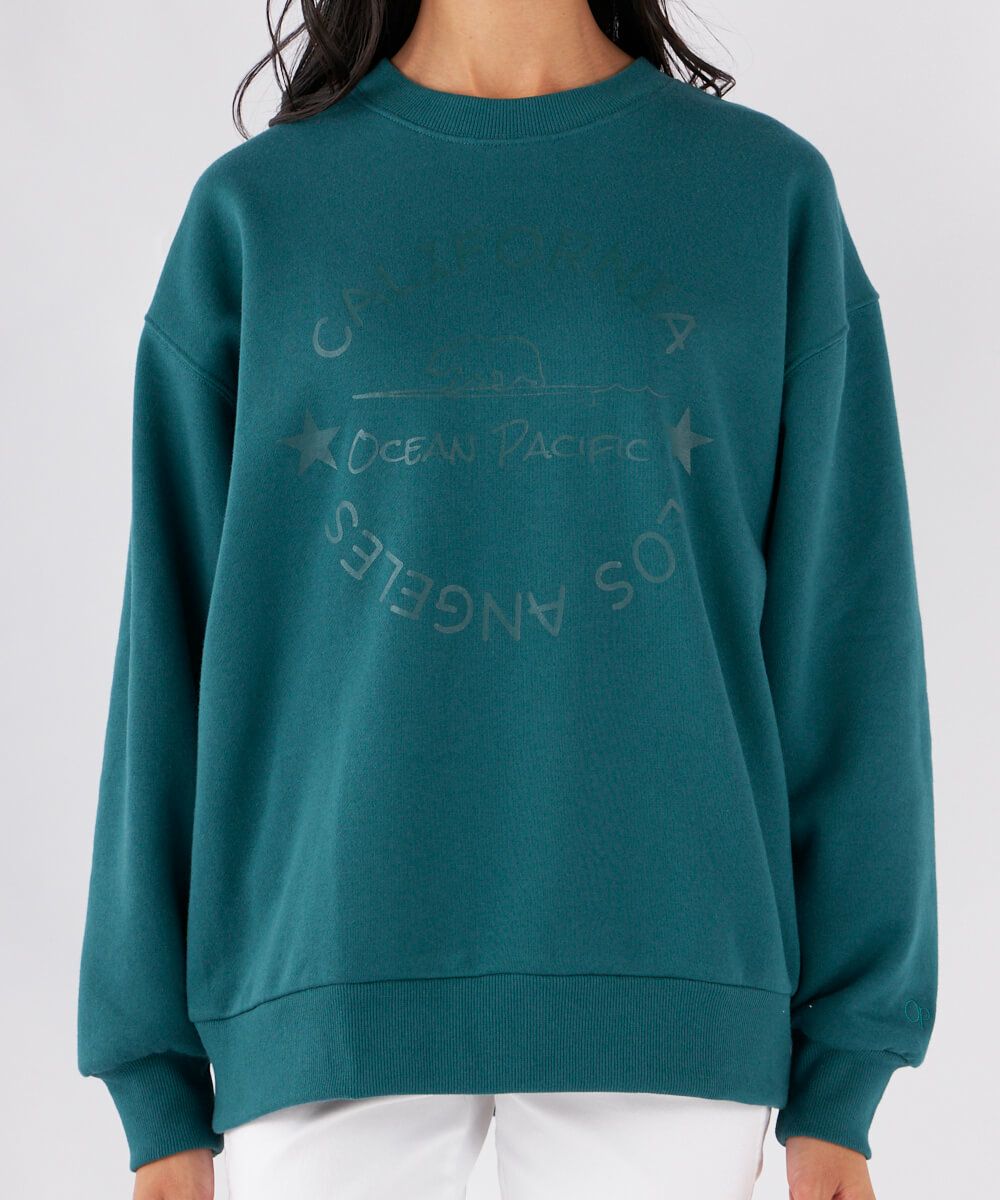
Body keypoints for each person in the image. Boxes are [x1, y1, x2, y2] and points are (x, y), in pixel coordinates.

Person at [76, 2, 938, 1198]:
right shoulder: (259, 213)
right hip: (324, 1000)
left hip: (670, 999)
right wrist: (154, 1085)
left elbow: (848, 644)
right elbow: (166, 649)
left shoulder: (763, 197)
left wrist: (844, 1073)